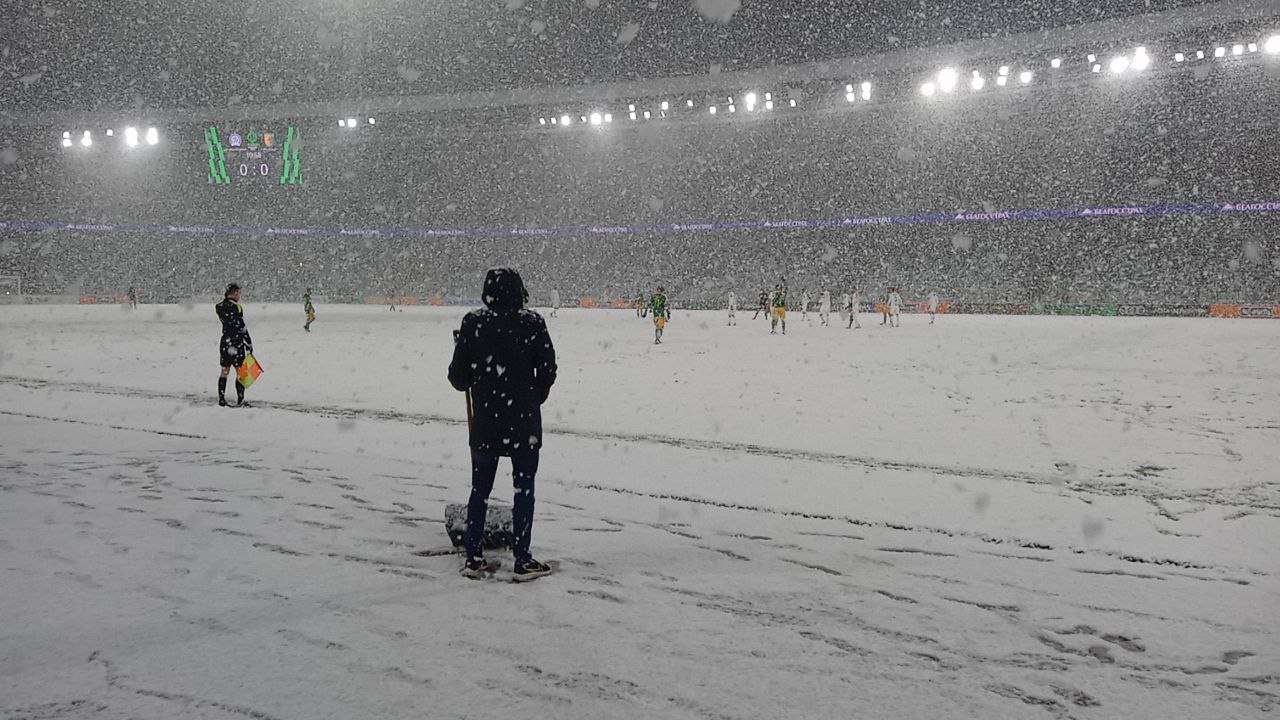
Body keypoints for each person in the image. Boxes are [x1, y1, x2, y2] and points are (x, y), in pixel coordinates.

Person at [448, 268, 557, 581]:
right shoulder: (533, 323)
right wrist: (533, 395)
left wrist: (471, 367)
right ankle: (523, 559)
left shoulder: (474, 323)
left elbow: (458, 379)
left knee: (479, 490)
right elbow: (548, 369)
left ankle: (474, 557)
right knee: (524, 490)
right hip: (524, 423)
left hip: (486, 422)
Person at [216, 283, 253, 407]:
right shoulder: (237, 307)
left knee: (224, 371)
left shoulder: (219, 306)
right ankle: (240, 400)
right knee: (240, 372)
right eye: (239, 293)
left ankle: (221, 399)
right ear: (235, 292)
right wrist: (248, 343)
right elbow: (241, 327)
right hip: (236, 343)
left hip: (225, 341)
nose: (240, 296)